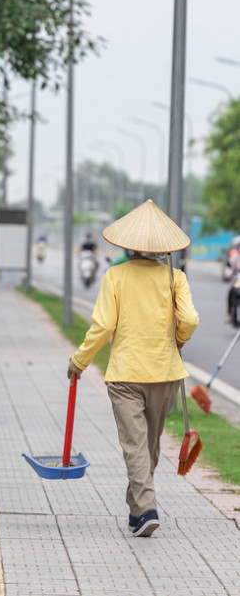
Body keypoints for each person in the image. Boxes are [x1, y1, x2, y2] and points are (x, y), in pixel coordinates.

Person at [66, 199, 199, 539]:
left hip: (126, 374)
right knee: (148, 446)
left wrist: (79, 361)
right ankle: (139, 509)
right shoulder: (175, 277)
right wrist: (179, 339)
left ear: (127, 243)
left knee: (138, 446)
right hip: (165, 374)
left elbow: (103, 326)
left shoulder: (115, 276)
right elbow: (190, 320)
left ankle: (146, 508)